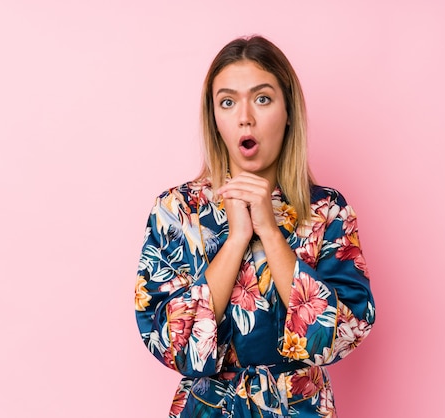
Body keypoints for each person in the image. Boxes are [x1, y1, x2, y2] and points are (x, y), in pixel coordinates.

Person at [135, 35, 375, 417]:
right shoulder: (176, 211)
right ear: (214, 119)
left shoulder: (326, 210)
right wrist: (236, 240)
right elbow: (169, 342)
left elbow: (345, 332)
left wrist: (270, 231)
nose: (245, 116)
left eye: (262, 98)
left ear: (288, 111)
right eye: (227, 102)